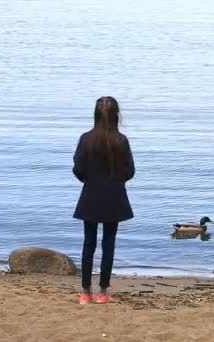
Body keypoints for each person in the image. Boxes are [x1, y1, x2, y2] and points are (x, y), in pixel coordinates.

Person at [72, 96, 135, 304]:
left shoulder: (86, 139)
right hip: (114, 197)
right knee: (108, 244)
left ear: (95, 115)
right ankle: (102, 293)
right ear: (116, 115)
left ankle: (84, 292)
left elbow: (78, 169)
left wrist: (91, 180)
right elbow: (130, 171)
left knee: (88, 244)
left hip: (90, 195)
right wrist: (115, 180)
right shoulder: (121, 140)